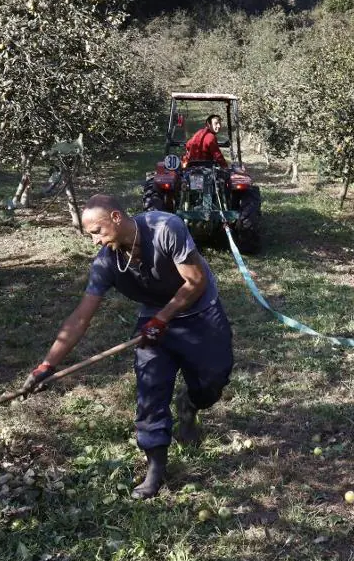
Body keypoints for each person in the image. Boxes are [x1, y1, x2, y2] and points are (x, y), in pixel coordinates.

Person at [21, 194, 234, 499]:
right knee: (150, 392)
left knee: (213, 380)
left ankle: (191, 403)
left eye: (97, 231)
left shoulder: (165, 228)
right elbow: (81, 317)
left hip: (200, 312)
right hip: (153, 324)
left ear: (117, 218)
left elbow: (196, 281)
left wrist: (163, 318)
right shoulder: (107, 263)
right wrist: (46, 366)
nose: (94, 241)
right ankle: (155, 471)